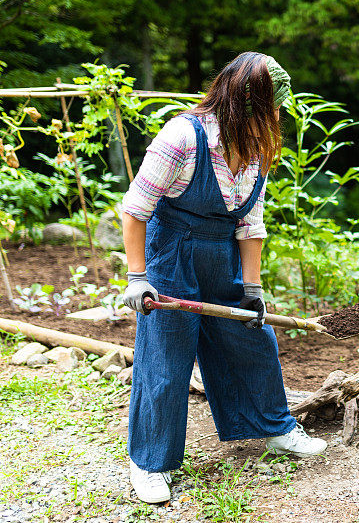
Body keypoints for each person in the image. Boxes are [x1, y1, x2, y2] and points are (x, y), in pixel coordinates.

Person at [120, 52, 326, 504]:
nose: (275, 119)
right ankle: (150, 463)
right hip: (172, 252)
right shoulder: (182, 137)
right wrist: (138, 278)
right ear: (243, 104)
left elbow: (250, 222)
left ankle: (275, 430)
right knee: (167, 356)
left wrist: (251, 290)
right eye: (270, 109)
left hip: (223, 252)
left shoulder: (257, 151)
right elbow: (135, 210)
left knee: (251, 339)